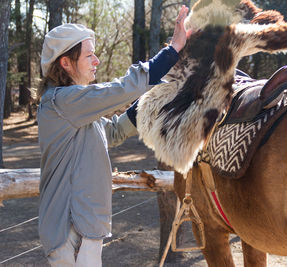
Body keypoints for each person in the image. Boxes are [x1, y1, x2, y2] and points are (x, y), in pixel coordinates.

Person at [37, 6, 189, 266]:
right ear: (66, 62)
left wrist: (148, 100)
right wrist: (173, 49)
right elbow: (121, 88)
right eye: (89, 56)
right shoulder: (62, 101)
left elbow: (114, 131)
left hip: (81, 229)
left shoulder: (76, 109)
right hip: (72, 230)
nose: (96, 61)